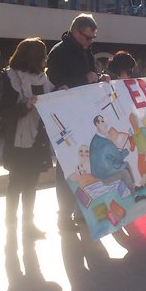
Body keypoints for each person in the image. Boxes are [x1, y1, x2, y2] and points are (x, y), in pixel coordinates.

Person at [47, 14, 101, 231]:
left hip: (85, 116)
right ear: (76, 32)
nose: (90, 42)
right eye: (87, 38)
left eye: (93, 39)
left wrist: (99, 77)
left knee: (86, 165)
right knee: (67, 168)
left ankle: (83, 210)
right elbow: (58, 85)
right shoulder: (58, 52)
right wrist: (84, 79)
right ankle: (64, 215)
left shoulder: (86, 52)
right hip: (67, 120)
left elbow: (90, 76)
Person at [0, 38, 54, 241]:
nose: (46, 59)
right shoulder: (11, 78)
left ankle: (28, 224)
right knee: (16, 183)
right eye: (43, 55)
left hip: (38, 137)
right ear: (34, 57)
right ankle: (10, 224)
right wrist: (26, 106)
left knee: (31, 183)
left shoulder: (44, 79)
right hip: (19, 140)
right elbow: (2, 110)